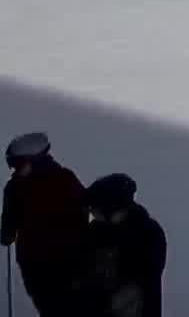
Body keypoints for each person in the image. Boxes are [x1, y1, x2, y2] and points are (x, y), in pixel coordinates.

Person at [3, 132, 90, 317]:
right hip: (60, 264)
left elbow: (7, 232)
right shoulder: (66, 179)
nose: (14, 170)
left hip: (49, 265)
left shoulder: (15, 188)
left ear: (34, 160)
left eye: (17, 164)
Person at [80, 173, 166, 317]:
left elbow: (140, 285)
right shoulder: (97, 230)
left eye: (96, 211)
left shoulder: (147, 234)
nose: (93, 214)